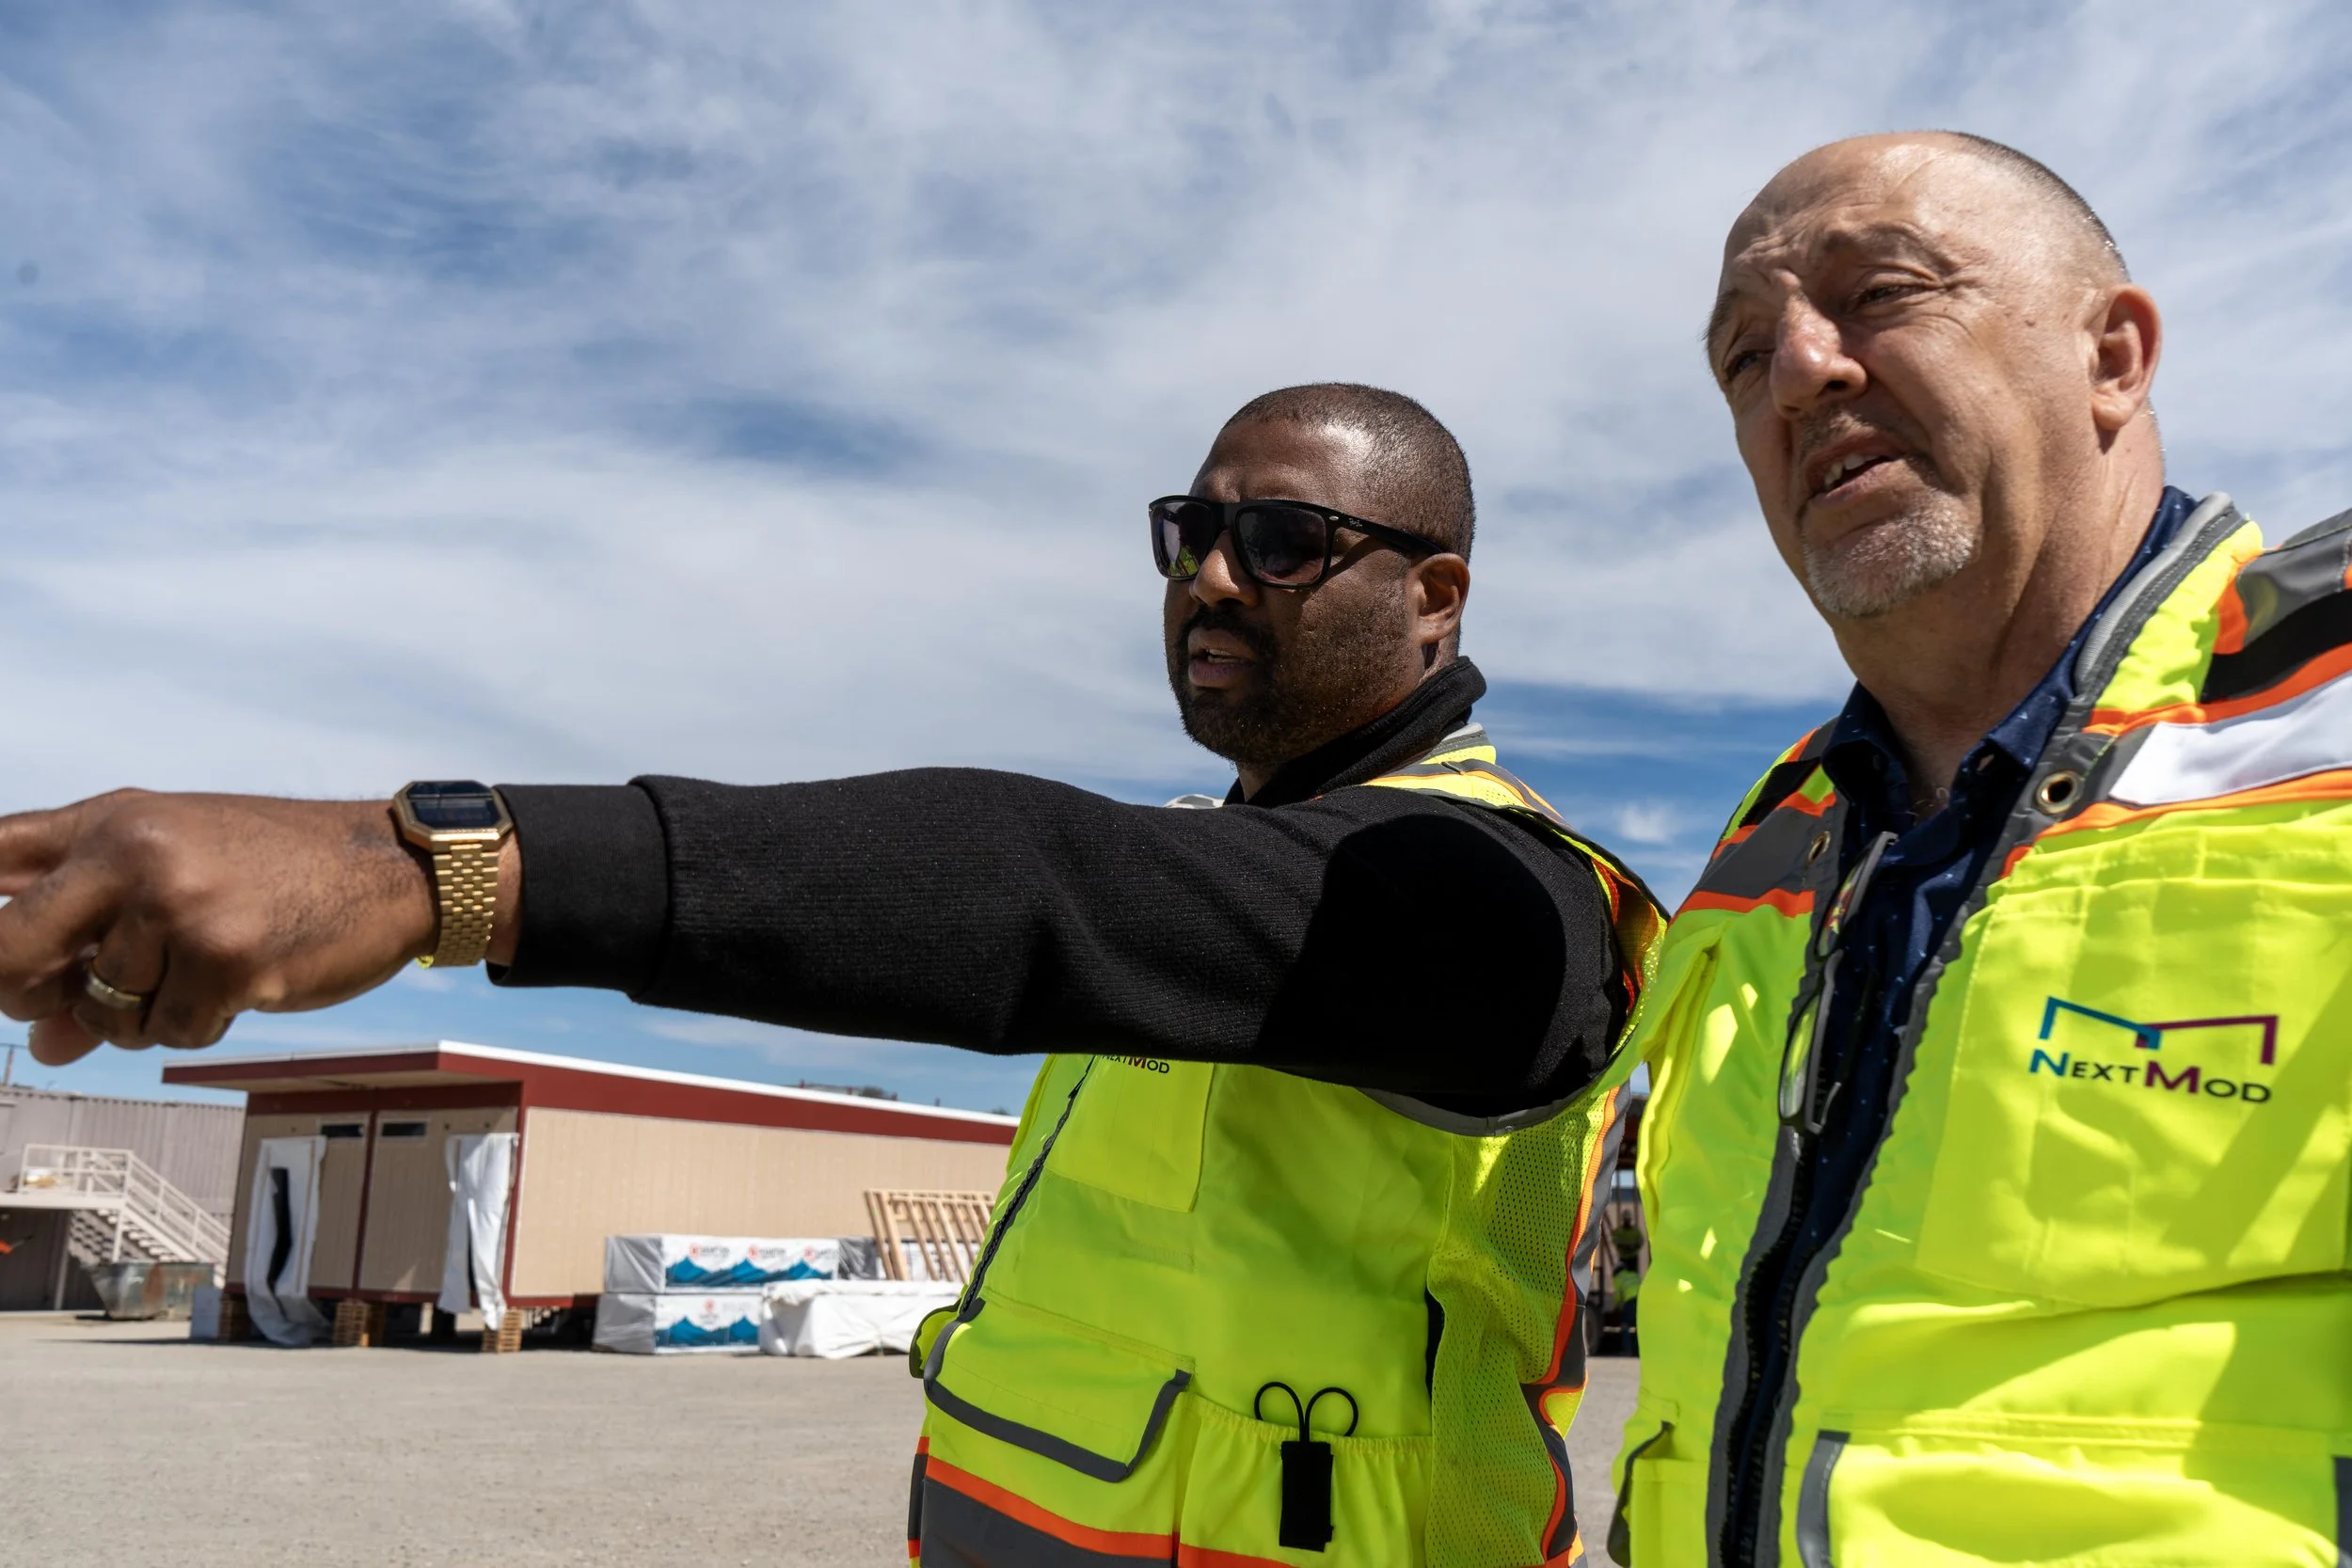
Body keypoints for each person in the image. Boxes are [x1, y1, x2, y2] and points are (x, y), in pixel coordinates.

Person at [0, 384, 1661, 1567]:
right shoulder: (1204, 881)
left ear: (1433, 595)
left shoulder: (1515, 900)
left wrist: (443, 869)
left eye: (1284, 540)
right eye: (1189, 530)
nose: (1209, 577)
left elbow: (1044, 883)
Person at [1611, 131, 2352, 1566]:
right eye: (1743, 356)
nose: (1801, 373)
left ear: (2115, 359)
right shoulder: (1773, 838)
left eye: (1882, 291)